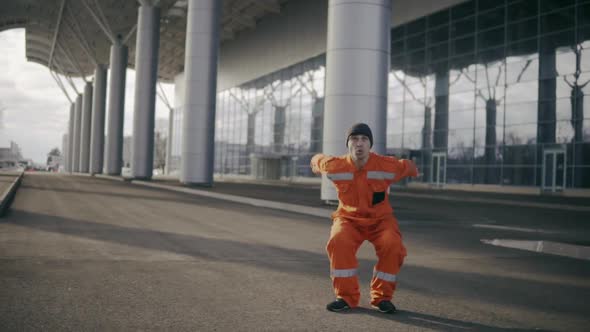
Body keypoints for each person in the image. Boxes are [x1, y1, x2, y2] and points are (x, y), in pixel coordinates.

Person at [310, 123, 418, 314]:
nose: (359, 143)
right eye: (354, 139)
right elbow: (318, 161)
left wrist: (415, 170)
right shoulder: (335, 165)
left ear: (370, 144)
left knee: (393, 245)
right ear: (348, 144)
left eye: (364, 139)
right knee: (338, 241)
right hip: (348, 219)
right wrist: (315, 161)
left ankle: (382, 297)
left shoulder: (386, 165)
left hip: (380, 220)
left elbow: (407, 166)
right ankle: (346, 297)